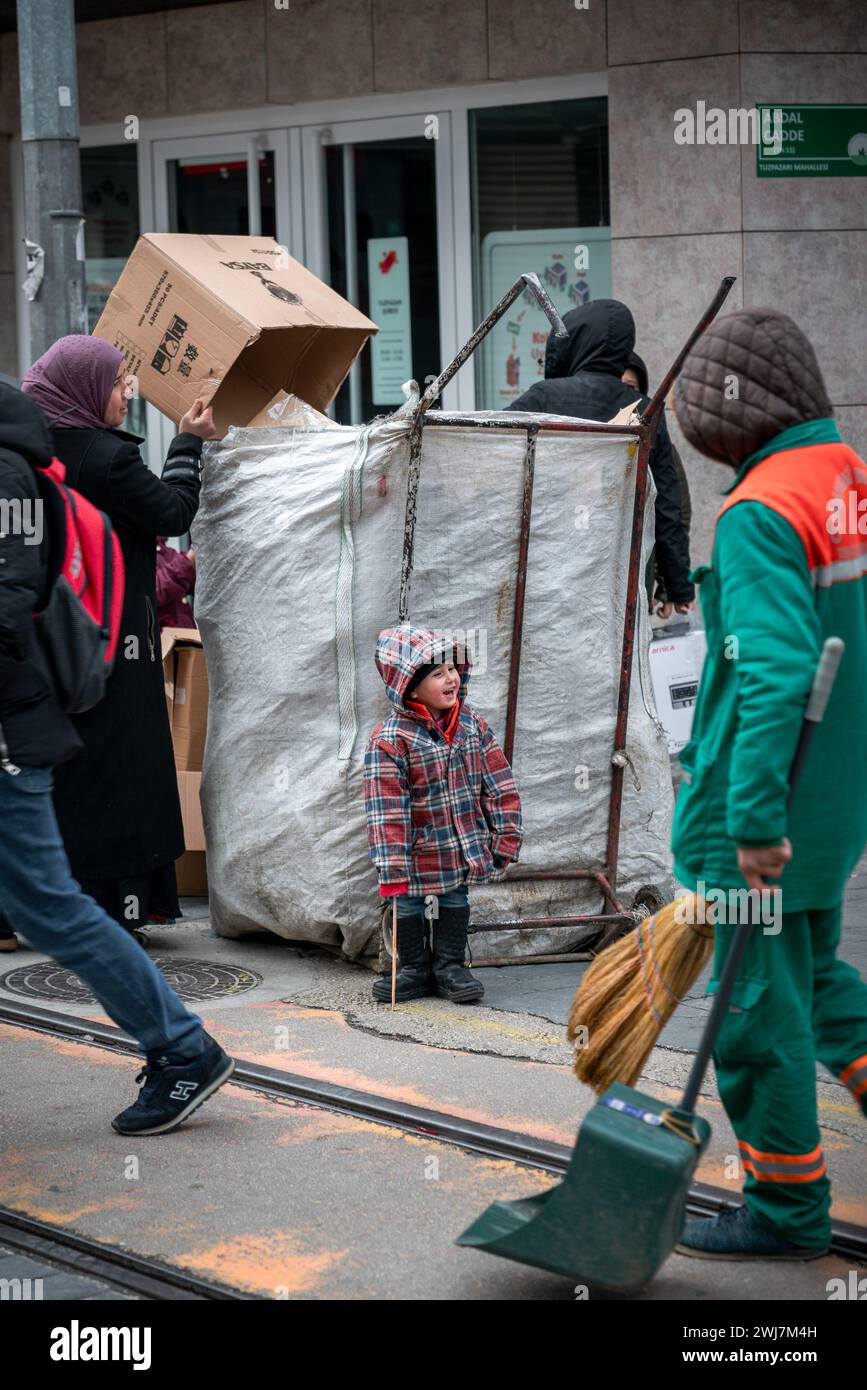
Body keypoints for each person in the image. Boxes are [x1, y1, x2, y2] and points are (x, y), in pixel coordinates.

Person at [669, 309, 867, 1260]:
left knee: (750, 1014)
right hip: (833, 805)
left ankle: (787, 1211)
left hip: (765, 817)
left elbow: (771, 671)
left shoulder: (758, 511)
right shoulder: (847, 479)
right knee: (817, 979)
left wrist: (748, 821)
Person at [0, 381, 233, 1135]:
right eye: (119, 382)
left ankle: (181, 1048)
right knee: (49, 905)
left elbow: (7, 606)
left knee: (53, 908)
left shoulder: (11, 475)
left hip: (11, 732)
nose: (128, 392)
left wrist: (188, 447)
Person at [21, 335, 216, 943]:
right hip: (114, 642)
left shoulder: (30, 451)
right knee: (127, 771)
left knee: (67, 773)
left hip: (49, 639)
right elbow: (172, 512)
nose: (125, 392)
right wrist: (188, 444)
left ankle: (52, 902)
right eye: (116, 382)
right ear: (84, 388)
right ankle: (122, 908)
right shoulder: (107, 458)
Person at [364, 625, 523, 1004]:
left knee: (455, 898)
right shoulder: (390, 740)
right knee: (408, 902)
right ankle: (413, 970)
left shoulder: (472, 727)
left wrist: (505, 837)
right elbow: (386, 811)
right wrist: (392, 868)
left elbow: (499, 785)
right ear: (410, 688)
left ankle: (450, 967)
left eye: (452, 668)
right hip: (416, 854)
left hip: (461, 847)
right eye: (437, 674)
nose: (451, 678)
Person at [508, 300, 694, 613]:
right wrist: (677, 584)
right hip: (622, 571)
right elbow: (667, 506)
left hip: (548, 561)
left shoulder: (543, 397)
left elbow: (486, 453)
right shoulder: (646, 410)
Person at [622, 349, 693, 617]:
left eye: (630, 388)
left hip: (637, 580)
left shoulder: (655, 443)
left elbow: (675, 513)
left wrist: (667, 587)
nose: (622, 396)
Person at [156, 536, 196, 629]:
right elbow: (154, 590)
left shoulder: (168, 552)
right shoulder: (132, 552)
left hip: (185, 635)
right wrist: (189, 560)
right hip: (163, 639)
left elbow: (194, 586)